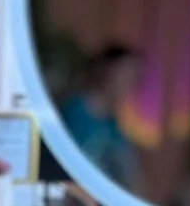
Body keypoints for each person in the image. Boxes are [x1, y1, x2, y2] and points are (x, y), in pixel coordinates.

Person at [58, 44, 144, 193]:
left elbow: (132, 176)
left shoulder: (113, 126)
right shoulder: (73, 112)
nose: (129, 85)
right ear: (106, 71)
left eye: (134, 79)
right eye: (125, 75)